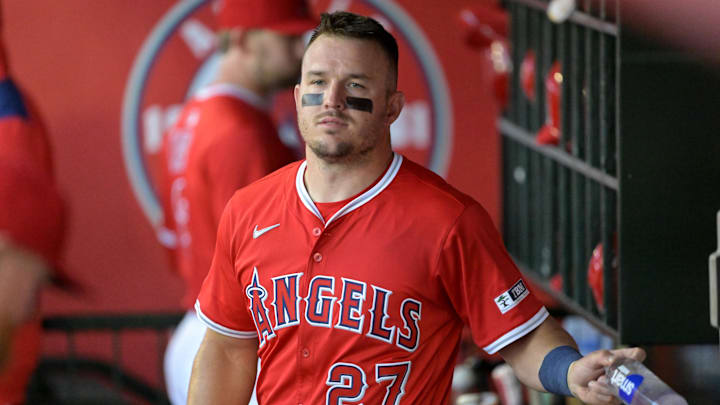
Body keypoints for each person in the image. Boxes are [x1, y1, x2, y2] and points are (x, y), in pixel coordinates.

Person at [188, 11, 644, 405]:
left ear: (392, 108)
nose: (332, 99)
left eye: (356, 85)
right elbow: (228, 349)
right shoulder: (248, 209)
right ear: (297, 96)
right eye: (318, 82)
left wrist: (568, 371)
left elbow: (522, 336)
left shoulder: (446, 219)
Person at [156, 0, 317, 404]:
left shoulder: (190, 120)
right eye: (288, 37)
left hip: (199, 329)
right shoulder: (240, 132)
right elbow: (271, 261)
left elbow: (174, 248)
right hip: (240, 340)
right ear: (244, 38)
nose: (301, 51)